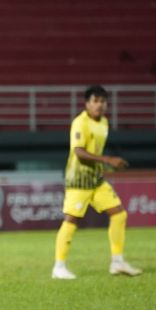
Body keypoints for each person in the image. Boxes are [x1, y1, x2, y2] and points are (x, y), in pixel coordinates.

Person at [51, 85, 142, 279]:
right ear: (87, 103)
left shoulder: (104, 123)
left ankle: (117, 262)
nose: (99, 105)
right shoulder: (80, 123)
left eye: (103, 101)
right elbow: (79, 153)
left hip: (96, 180)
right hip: (78, 180)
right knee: (71, 220)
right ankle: (59, 267)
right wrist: (108, 160)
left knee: (119, 214)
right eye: (95, 101)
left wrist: (104, 165)